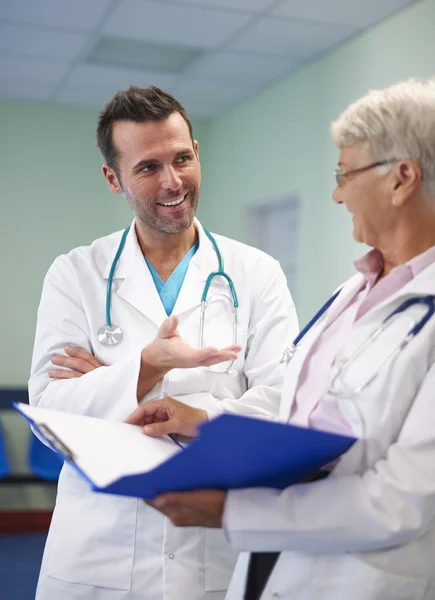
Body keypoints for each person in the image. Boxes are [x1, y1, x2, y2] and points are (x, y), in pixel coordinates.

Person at [134, 78, 435, 600]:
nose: (337, 192)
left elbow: (403, 500)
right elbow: (299, 413)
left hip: (364, 579)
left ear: (401, 178)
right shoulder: (353, 292)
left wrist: (234, 511)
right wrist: (202, 422)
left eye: (346, 172)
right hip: (274, 567)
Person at [28, 85, 298, 600]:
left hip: (214, 547)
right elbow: (51, 420)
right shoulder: (75, 274)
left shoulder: (256, 273)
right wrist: (147, 367)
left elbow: (283, 406)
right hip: (97, 549)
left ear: (197, 153)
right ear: (114, 179)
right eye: (148, 167)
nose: (173, 182)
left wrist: (195, 417)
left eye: (181, 159)